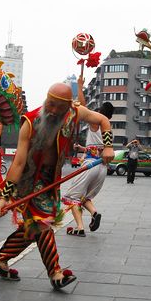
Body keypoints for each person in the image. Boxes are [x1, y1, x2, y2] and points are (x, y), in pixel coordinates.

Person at [0, 83, 114, 290]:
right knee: (42, 223)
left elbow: (102, 120)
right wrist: (4, 196)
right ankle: (55, 273)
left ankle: (0, 259)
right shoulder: (30, 123)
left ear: (68, 106)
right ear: (46, 99)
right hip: (28, 181)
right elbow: (18, 162)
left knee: (34, 228)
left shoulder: (75, 113)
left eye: (59, 107)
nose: (54, 111)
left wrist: (108, 145)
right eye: (51, 104)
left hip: (50, 181)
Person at [62, 100, 114, 236]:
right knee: (84, 197)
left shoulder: (95, 122)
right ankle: (94, 213)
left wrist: (79, 88)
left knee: (71, 196)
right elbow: (96, 148)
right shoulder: (108, 128)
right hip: (102, 168)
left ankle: (79, 227)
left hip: (90, 165)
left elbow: (83, 109)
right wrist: (81, 148)